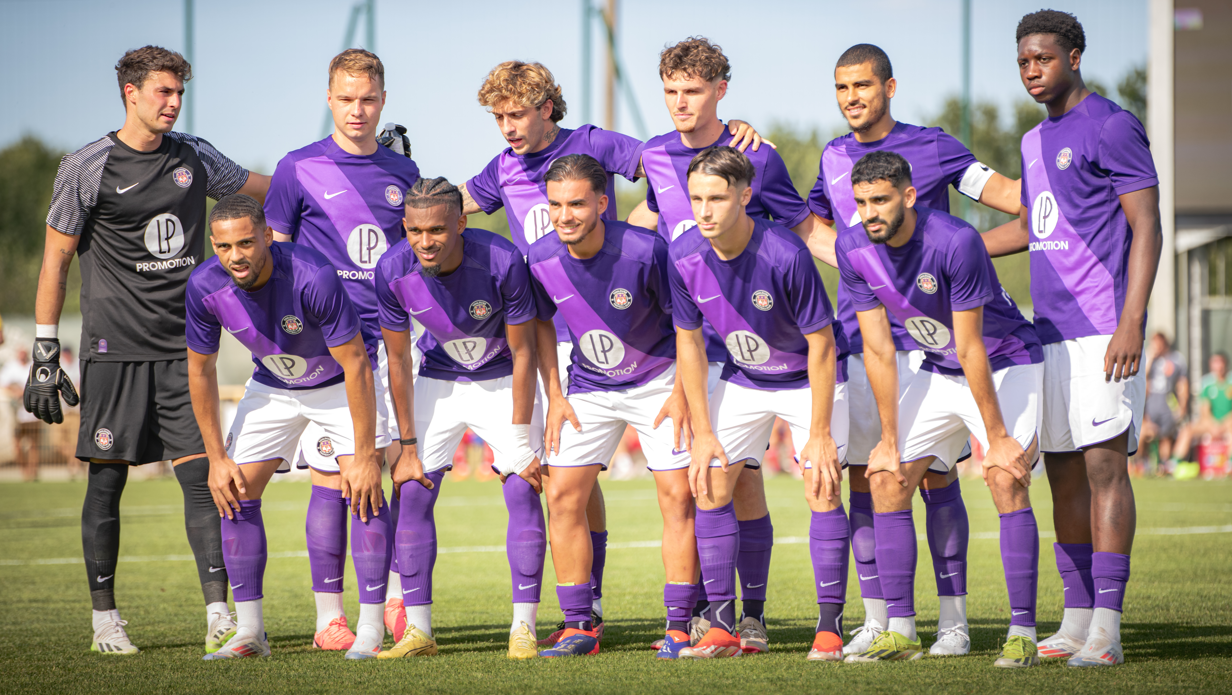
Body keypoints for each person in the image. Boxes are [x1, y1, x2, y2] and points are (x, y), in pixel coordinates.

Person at [461, 62, 768, 644]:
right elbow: (457, 209)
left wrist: (733, 134)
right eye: (498, 117)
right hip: (581, 362)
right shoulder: (505, 178)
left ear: (547, 106)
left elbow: (678, 156)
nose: (507, 127)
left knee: (696, 488)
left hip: (656, 356)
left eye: (517, 113)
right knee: (563, 488)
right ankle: (582, 618)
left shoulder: (599, 152)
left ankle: (691, 619)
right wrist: (405, 206)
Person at [27, 45, 268, 655]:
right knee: (105, 488)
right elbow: (56, 258)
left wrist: (345, 175)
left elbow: (265, 189)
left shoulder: (194, 154)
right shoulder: (87, 164)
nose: (174, 103)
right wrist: (47, 349)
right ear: (130, 93)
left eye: (179, 92)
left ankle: (219, 612)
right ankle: (104, 619)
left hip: (187, 353)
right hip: (114, 354)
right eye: (163, 92)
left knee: (204, 482)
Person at [807, 43, 1024, 657]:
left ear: (890, 87)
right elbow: (813, 223)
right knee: (871, 477)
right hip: (865, 334)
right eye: (842, 87)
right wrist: (856, 266)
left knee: (935, 476)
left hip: (934, 345)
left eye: (863, 86)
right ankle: (882, 620)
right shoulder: (831, 156)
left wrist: (987, 251)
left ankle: (953, 622)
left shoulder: (932, 146)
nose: (852, 98)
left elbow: (1015, 200)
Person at [631, 38, 827, 653]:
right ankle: (704, 616)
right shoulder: (652, 154)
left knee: (743, 483)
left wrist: (874, 274)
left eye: (692, 90)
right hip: (689, 341)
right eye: (670, 91)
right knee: (706, 479)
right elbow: (639, 220)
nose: (679, 102)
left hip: (760, 345)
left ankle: (753, 618)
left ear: (720, 91)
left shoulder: (754, 154)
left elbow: (801, 227)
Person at [987, 10, 1163, 667]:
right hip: (1049, 334)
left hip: (1104, 330)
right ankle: (1077, 619)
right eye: (1023, 61)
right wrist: (960, 251)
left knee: (1102, 467)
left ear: (1075, 56)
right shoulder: (1035, 142)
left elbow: (1147, 225)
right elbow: (1037, 226)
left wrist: (1133, 320)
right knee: (1059, 472)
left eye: (1043, 58)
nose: (1033, 69)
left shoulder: (1112, 125)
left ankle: (1109, 631)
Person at [837, 151, 1044, 668]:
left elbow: (973, 346)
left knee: (1003, 475)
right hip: (937, 366)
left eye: (881, 200)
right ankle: (902, 631)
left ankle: (1023, 633)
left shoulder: (956, 241)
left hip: (1005, 361)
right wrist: (888, 439)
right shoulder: (852, 247)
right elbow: (880, 350)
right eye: (862, 203)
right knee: (886, 477)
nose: (870, 212)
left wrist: (995, 438)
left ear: (909, 196)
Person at [186, 194, 391, 660]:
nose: (235, 256)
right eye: (222, 247)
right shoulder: (203, 285)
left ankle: (371, 628)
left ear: (267, 236)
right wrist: (216, 459)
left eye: (245, 243)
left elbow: (356, 362)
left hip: (338, 383)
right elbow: (200, 371)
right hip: (273, 384)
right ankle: (251, 634)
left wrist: (363, 456)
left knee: (364, 489)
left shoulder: (311, 274)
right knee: (234, 490)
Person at [263, 48, 421, 649]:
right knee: (332, 479)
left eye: (369, 99)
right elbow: (276, 257)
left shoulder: (404, 174)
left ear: (383, 101)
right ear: (329, 98)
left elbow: (414, 257)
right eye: (347, 99)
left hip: (390, 345)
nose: (358, 110)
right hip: (324, 352)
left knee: (396, 474)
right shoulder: (295, 167)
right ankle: (330, 614)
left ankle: (401, 602)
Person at [668, 146, 847, 660]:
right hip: (746, 377)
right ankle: (724, 623)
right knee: (710, 477)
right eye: (696, 198)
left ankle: (830, 627)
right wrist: (703, 433)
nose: (704, 210)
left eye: (717, 198)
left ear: (745, 196)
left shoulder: (785, 253)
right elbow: (689, 344)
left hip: (806, 378)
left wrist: (817, 432)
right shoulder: (683, 256)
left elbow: (822, 344)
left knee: (822, 485)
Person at [373, 177, 547, 660]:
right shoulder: (390, 269)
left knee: (521, 484)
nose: (425, 242)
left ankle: (523, 627)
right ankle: (419, 631)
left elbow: (524, 350)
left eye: (437, 230)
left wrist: (518, 441)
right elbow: (400, 362)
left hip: (501, 376)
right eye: (414, 231)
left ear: (461, 223)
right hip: (438, 377)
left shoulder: (501, 260)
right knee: (410, 488)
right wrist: (406, 447)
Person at [528, 154, 694, 658]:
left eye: (576, 204)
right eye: (555, 205)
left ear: (602, 203)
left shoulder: (647, 252)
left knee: (677, 497)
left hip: (660, 379)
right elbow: (539, 324)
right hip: (589, 386)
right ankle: (580, 624)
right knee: (562, 496)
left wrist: (681, 393)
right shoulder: (538, 258)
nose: (564, 216)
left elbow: (689, 325)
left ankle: (681, 626)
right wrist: (555, 395)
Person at [1141, 333, 1188, 473]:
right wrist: (1150, 358)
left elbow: (1182, 384)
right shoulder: (1148, 359)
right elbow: (1143, 381)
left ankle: (1163, 466)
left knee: (1165, 436)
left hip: (1168, 404)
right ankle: (1143, 463)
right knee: (1144, 433)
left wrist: (1182, 405)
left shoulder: (1176, 359)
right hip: (1151, 405)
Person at [1174, 352, 1232, 461]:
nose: (1219, 366)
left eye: (1221, 362)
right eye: (1215, 363)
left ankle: (1229, 464)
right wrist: (1213, 426)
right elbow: (1204, 411)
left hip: (1228, 424)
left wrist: (1223, 426)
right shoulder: (1207, 383)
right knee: (1187, 430)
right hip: (1211, 424)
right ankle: (1174, 463)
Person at [2, 349, 40, 481]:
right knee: (17, 446)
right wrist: (15, 391)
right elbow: (3, 386)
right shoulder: (11, 367)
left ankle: (33, 472)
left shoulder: (33, 367)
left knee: (34, 445)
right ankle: (24, 471)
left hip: (33, 414)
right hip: (17, 415)